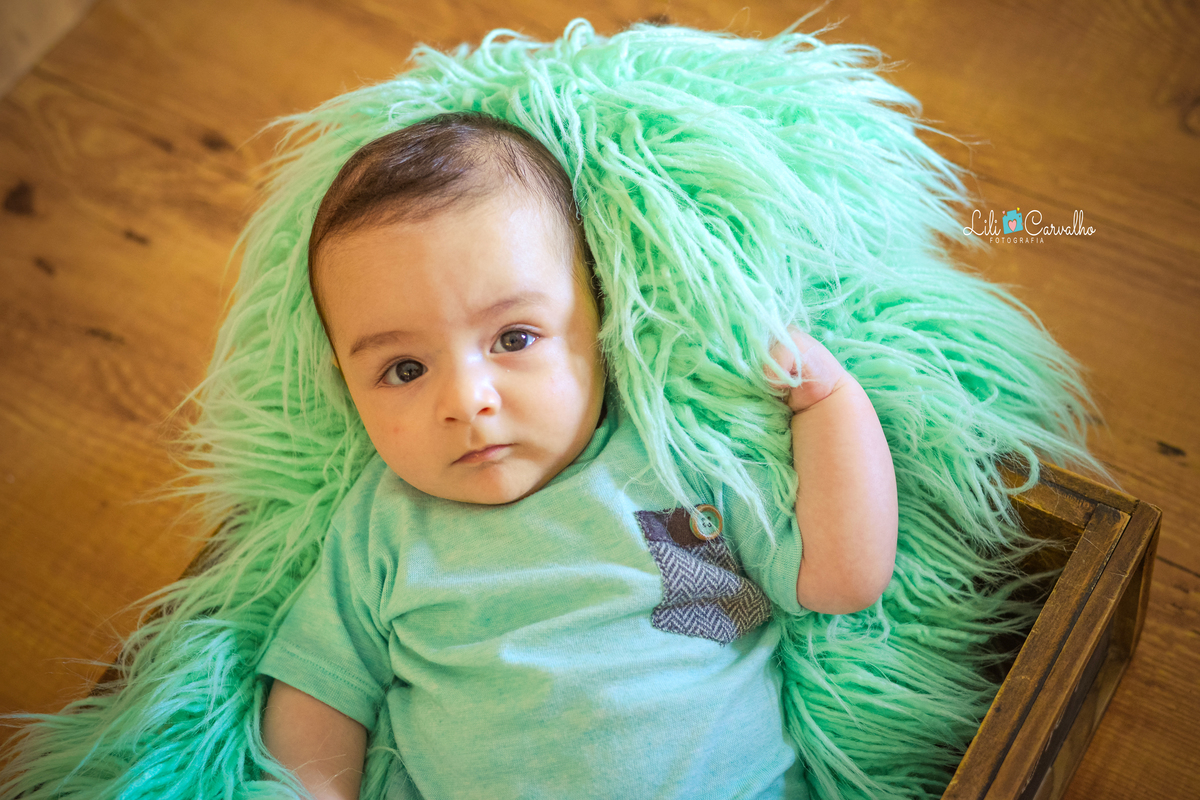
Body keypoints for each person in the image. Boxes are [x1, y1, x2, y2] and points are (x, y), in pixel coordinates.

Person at [256, 111, 898, 800]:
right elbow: (320, 692)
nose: (468, 400)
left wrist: (830, 404)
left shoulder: (674, 455)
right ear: (347, 384)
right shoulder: (380, 527)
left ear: (599, 317)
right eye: (406, 369)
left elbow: (842, 577)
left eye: (514, 338)